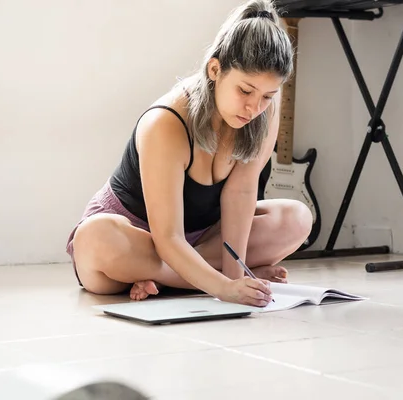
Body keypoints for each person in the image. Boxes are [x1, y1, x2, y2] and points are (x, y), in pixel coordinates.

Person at [65, 0, 313, 307]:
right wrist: (224, 288)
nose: (254, 107)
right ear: (215, 69)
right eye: (245, 91)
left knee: (297, 219)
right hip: (136, 240)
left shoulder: (263, 110)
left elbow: (240, 193)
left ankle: (171, 279)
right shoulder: (165, 123)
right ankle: (195, 279)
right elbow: (167, 238)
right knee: (95, 238)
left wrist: (236, 279)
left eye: (267, 96)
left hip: (202, 240)